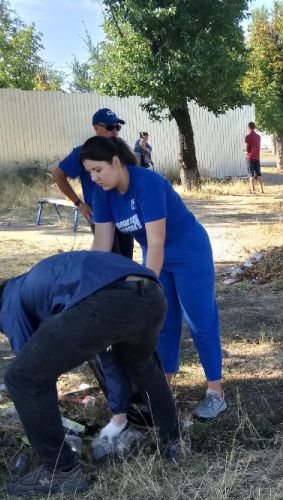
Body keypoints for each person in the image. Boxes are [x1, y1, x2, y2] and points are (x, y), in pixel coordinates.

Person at [0, 251, 184, 498]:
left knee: (21, 378)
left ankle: (60, 471)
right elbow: (109, 357)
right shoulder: (43, 279)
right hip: (149, 291)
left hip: (107, 297)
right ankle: (174, 442)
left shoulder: (8, 302)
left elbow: (31, 367)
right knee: (142, 366)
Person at [80, 136, 228, 425]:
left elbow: (158, 241)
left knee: (200, 321)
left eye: (98, 170)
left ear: (115, 161)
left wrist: (144, 286)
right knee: (163, 322)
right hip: (155, 252)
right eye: (89, 173)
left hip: (187, 250)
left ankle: (215, 393)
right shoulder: (104, 194)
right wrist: (87, 281)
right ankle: (164, 389)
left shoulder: (146, 183)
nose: (94, 178)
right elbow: (102, 242)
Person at [52, 108, 135, 258]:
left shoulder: (122, 149)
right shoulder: (83, 152)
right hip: (100, 214)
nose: (114, 131)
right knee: (109, 259)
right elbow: (58, 174)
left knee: (126, 259)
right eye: (110, 127)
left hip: (123, 212)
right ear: (96, 128)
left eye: (118, 127)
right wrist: (79, 203)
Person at [244, 121, 264, 194]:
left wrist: (246, 150)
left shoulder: (247, 137)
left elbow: (246, 148)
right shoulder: (259, 137)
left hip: (250, 157)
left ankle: (253, 190)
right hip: (257, 157)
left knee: (251, 174)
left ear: (249, 128)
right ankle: (262, 189)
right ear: (254, 127)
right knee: (259, 173)